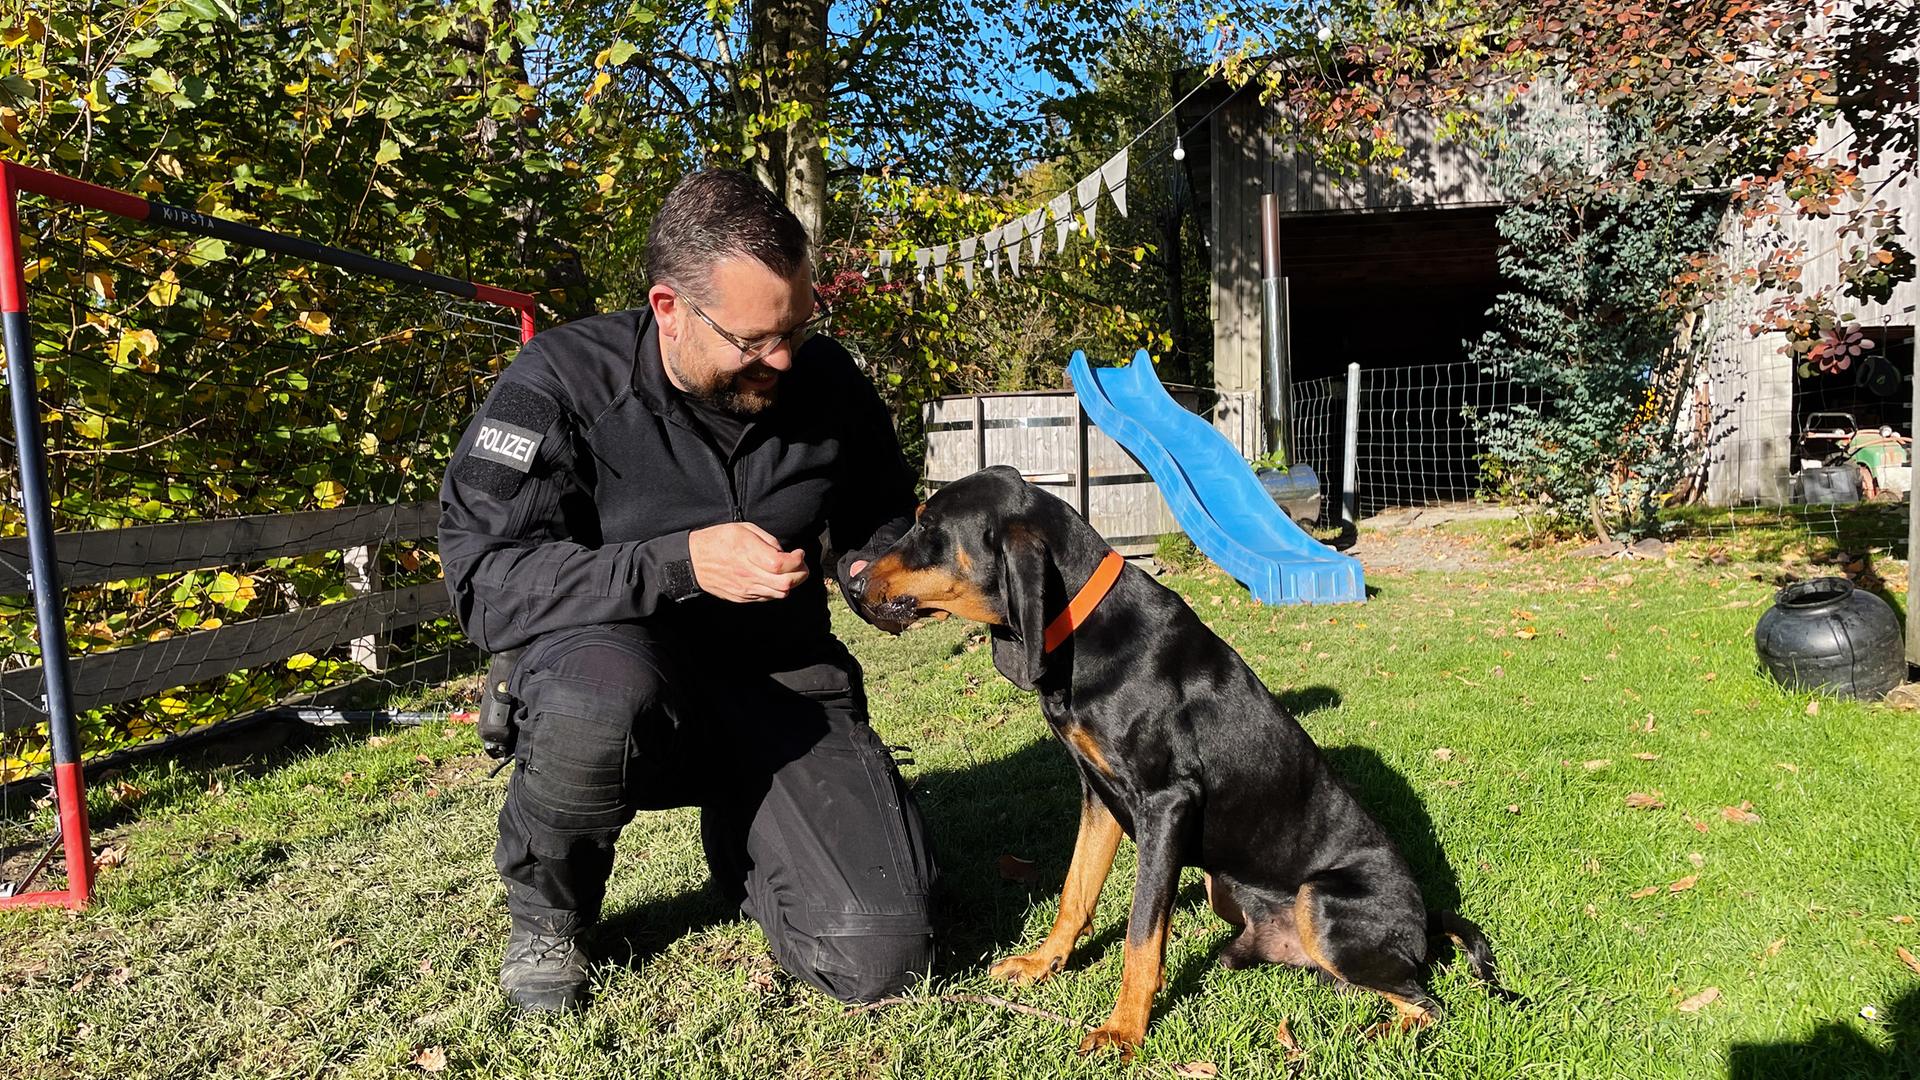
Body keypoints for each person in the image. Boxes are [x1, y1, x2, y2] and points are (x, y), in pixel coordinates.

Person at [438, 169, 936, 1014]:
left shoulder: (826, 379)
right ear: (669, 307)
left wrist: (869, 571)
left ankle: (754, 833)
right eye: (753, 340)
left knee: (882, 957)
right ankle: (549, 915)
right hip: (616, 669)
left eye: (798, 328)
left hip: (781, 684)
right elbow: (488, 582)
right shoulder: (559, 381)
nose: (782, 358)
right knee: (599, 696)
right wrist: (678, 563)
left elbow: (875, 515)